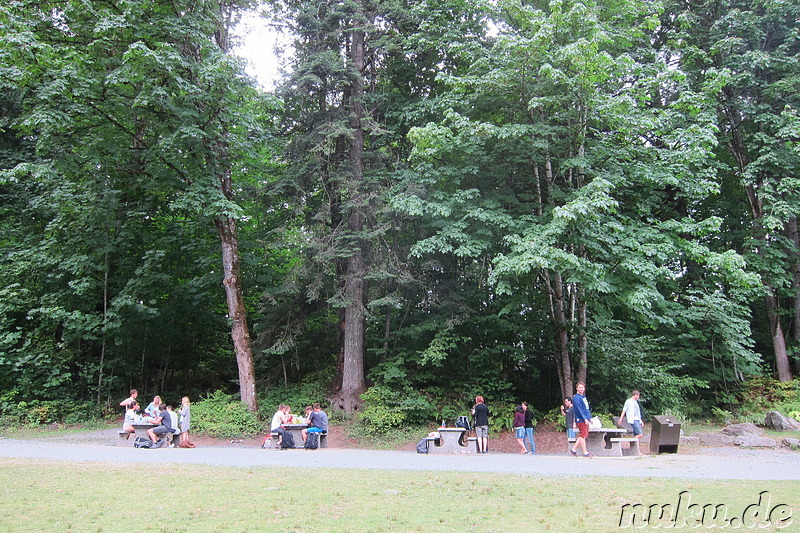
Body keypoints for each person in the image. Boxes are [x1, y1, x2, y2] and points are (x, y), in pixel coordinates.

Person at [570, 382, 593, 457]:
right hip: (581, 419)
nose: (581, 389)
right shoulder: (576, 398)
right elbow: (579, 409)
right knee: (583, 435)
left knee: (583, 435)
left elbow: (586, 409)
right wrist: (585, 418)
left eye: (582, 387)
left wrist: (589, 417)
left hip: (585, 418)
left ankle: (573, 449)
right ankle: (585, 452)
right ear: (577, 388)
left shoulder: (583, 397)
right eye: (579, 387)